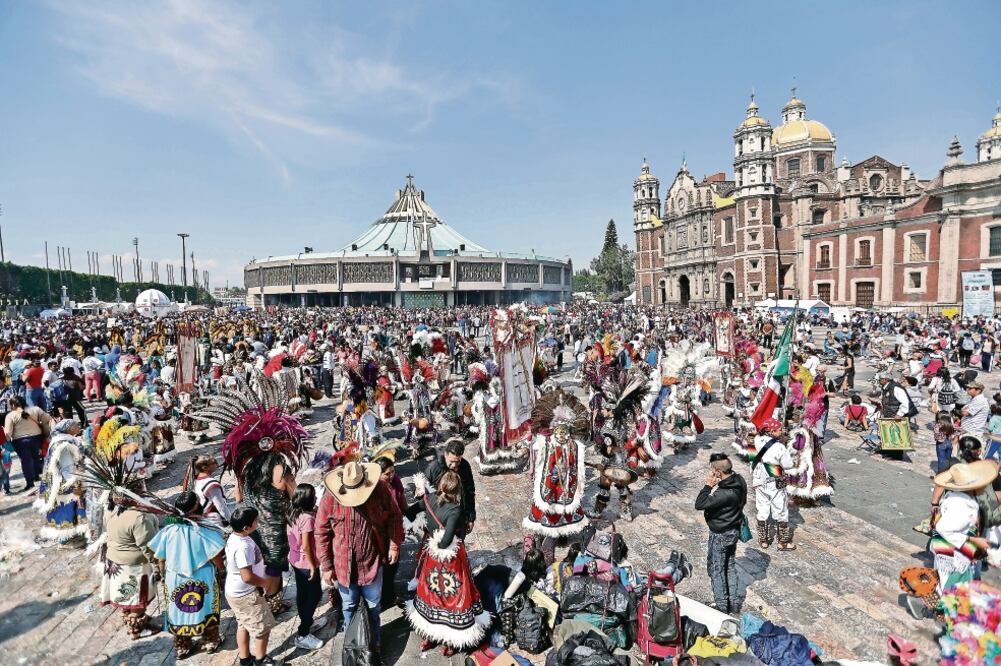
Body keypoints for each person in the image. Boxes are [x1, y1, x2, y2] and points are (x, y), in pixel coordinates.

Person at [315, 460, 403, 664]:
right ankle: (353, 643)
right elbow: (321, 532)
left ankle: (374, 645)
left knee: (374, 607)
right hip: (343, 567)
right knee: (349, 606)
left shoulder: (379, 489)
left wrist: (393, 545)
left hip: (371, 562)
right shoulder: (331, 498)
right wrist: (326, 566)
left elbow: (395, 517)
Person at [407, 470, 490, 656]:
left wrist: (424, 527)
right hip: (451, 561)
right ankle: (451, 642)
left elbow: (410, 511)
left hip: (432, 558)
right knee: (454, 596)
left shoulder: (429, 499)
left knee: (430, 593)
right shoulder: (455, 509)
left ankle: (429, 636)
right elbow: (446, 541)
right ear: (457, 490)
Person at [148, 492, 226, 658]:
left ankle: (183, 646)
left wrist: (163, 575)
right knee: (206, 607)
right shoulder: (202, 530)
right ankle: (210, 641)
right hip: (202, 575)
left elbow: (160, 559)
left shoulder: (169, 531)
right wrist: (221, 570)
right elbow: (215, 555)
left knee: (178, 610)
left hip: (175, 578)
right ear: (196, 506)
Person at [99, 484, 162, 639]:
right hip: (134, 566)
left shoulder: (110, 509)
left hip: (114, 561)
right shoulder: (137, 517)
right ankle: (136, 629)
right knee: (137, 598)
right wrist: (158, 564)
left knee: (126, 596)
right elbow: (149, 546)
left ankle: (131, 618)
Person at [929, 461, 996, 594]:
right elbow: (943, 528)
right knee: (948, 584)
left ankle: (939, 605)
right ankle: (935, 606)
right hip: (950, 551)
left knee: (947, 582)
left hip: (949, 548)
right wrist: (973, 541)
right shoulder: (961, 504)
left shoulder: (956, 496)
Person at [225, 506, 279, 666]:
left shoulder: (234, 537)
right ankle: (260, 660)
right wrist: (264, 583)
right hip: (246, 594)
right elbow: (247, 576)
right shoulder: (243, 546)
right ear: (245, 527)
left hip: (234, 592)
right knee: (263, 627)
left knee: (243, 624)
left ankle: (244, 658)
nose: (258, 521)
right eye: (255, 520)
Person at [694, 453, 748, 614]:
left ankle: (722, 605)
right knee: (729, 566)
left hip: (721, 534)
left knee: (716, 569)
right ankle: (734, 603)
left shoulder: (723, 493)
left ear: (718, 472)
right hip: (733, 529)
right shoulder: (740, 481)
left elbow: (700, 504)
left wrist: (708, 486)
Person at [34, 419, 86, 542]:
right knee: (65, 510)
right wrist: (75, 484)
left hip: (55, 481)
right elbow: (67, 466)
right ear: (68, 429)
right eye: (75, 425)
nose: (78, 427)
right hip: (64, 483)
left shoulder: (59, 440)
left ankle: (65, 538)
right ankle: (66, 540)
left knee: (59, 510)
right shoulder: (64, 444)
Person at [287, 485, 325, 651]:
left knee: (303, 593)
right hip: (305, 562)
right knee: (315, 594)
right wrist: (312, 565)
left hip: (295, 560)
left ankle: (308, 622)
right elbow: (307, 545)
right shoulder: (307, 519)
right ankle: (302, 633)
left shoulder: (292, 512)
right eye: (314, 498)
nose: (316, 499)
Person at [751, 418, 796, 551]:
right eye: (779, 430)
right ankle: (783, 542)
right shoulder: (779, 447)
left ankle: (763, 540)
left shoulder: (755, 440)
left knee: (762, 508)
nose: (781, 431)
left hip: (759, 479)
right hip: (775, 480)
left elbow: (751, 457)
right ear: (771, 431)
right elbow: (788, 465)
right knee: (781, 510)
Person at [424, 439, 476, 537]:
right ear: (445, 454)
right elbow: (424, 493)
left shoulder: (464, 466)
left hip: (459, 519)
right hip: (438, 519)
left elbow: (470, 492)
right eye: (451, 462)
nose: (454, 465)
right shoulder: (433, 468)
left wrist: (470, 518)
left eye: (458, 461)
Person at [4, 395, 51, 492]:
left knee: (26, 461)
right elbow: (47, 418)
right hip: (36, 438)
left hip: (20, 441)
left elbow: (8, 433)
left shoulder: (10, 415)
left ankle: (30, 483)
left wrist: (6, 442)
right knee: (35, 457)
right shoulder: (35, 409)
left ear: (13, 404)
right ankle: (36, 476)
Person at [186, 455, 232, 529]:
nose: (217, 464)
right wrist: (232, 521)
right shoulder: (211, 484)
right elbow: (221, 507)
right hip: (214, 521)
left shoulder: (195, 481)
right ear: (204, 467)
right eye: (214, 462)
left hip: (202, 520)